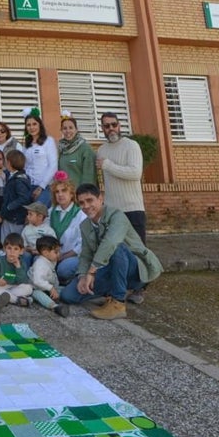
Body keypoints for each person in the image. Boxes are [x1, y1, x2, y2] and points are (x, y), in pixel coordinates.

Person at [59, 183, 163, 320]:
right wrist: (82, 276)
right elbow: (85, 254)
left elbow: (110, 243)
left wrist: (91, 271)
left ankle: (118, 303)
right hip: (107, 268)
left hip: (135, 270)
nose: (86, 206)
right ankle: (108, 291)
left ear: (100, 199)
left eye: (90, 200)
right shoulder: (85, 225)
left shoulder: (117, 216)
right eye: (82, 203)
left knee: (117, 247)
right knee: (68, 295)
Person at [95, 112, 148, 243]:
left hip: (132, 209)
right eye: (107, 126)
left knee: (138, 253)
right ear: (102, 129)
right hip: (111, 211)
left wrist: (108, 165)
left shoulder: (131, 145)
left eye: (114, 124)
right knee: (117, 253)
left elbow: (135, 173)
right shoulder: (101, 150)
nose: (111, 128)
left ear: (119, 125)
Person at [49, 178, 87, 282]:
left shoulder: (80, 215)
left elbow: (82, 245)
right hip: (51, 255)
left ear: (71, 194)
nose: (60, 194)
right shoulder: (50, 212)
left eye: (64, 191)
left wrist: (62, 257)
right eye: (57, 192)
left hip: (71, 256)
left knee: (63, 270)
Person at [0, 232, 33, 308]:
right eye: (9, 248)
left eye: (16, 249)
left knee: (29, 288)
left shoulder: (22, 263)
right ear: (4, 249)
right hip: (1, 286)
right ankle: (17, 300)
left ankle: (2, 297)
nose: (12, 252)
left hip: (15, 287)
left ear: (21, 251)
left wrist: (18, 267)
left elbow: (23, 281)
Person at [21, 109, 58, 206]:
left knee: (38, 212)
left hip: (45, 186)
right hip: (29, 186)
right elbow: (24, 167)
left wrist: (41, 186)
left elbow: (53, 165)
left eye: (34, 124)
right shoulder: (26, 145)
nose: (31, 127)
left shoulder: (48, 141)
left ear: (39, 125)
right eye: (28, 125)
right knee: (29, 216)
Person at [30, 235, 70, 318]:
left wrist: (53, 287)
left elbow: (52, 274)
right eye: (56, 252)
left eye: (59, 251)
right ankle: (55, 307)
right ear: (45, 252)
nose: (59, 254)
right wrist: (51, 288)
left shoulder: (51, 260)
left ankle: (90, 299)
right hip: (34, 287)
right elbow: (37, 281)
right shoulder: (40, 264)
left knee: (64, 290)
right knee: (37, 294)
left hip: (47, 286)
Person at [0, 149, 33, 239]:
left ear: (9, 163)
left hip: (15, 218)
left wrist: (9, 206)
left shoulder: (19, 180)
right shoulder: (13, 176)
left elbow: (24, 198)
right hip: (9, 216)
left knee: (13, 241)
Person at [57, 114, 96, 188]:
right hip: (66, 195)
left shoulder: (85, 149)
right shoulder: (60, 149)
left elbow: (89, 176)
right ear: (61, 130)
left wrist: (83, 193)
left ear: (76, 129)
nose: (68, 131)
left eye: (71, 128)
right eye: (64, 128)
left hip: (81, 194)